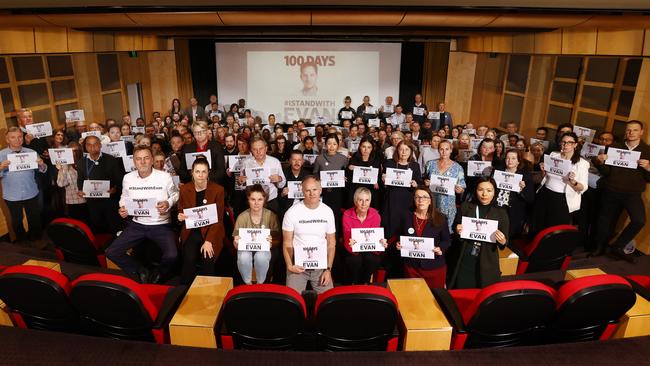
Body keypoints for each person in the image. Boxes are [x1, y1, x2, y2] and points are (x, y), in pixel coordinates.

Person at [106, 146, 180, 284]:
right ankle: (140, 270)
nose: (143, 162)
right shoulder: (128, 178)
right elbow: (124, 196)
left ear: (152, 160)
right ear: (134, 162)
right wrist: (122, 207)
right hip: (137, 224)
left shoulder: (164, 177)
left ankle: (160, 272)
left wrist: (168, 202)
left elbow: (176, 194)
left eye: (146, 158)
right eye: (138, 159)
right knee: (111, 252)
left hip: (160, 225)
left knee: (172, 255)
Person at [591, 120, 650, 259]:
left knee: (639, 220)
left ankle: (618, 246)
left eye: (635, 130)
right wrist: (599, 161)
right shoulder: (614, 147)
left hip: (632, 194)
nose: (631, 133)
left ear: (641, 132)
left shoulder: (648, 151)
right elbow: (606, 172)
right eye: (629, 130)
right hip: (611, 190)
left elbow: (648, 179)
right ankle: (600, 248)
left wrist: (648, 167)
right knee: (605, 221)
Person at [448, 178, 509, 289]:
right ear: (475, 191)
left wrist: (502, 240)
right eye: (481, 189)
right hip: (464, 257)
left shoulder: (501, 212)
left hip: (487, 260)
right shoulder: (466, 207)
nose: (484, 194)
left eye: (489, 190)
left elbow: (504, 243)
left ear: (495, 192)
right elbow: (455, 227)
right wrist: (457, 229)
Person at [282, 176, 336, 294]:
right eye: (307, 190)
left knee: (329, 301)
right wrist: (290, 266)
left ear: (320, 190)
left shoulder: (327, 211)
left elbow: (331, 243)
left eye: (315, 189)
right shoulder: (292, 213)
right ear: (302, 191)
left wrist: (328, 269)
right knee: (291, 300)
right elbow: (287, 242)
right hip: (297, 265)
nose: (312, 193)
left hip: (320, 267)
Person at [177, 158, 225, 285]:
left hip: (211, 229)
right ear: (192, 173)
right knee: (189, 258)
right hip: (192, 230)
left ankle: (209, 291)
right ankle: (184, 291)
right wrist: (180, 216)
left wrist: (209, 240)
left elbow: (219, 219)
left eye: (204, 172)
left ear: (208, 173)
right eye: (197, 171)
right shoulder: (184, 189)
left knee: (207, 257)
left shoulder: (218, 190)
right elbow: (180, 210)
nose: (200, 175)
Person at [530, 132, 588, 237]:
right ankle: (533, 249)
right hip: (545, 194)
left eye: (570, 143)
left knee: (553, 229)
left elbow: (583, 187)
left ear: (575, 145)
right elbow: (546, 177)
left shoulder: (582, 163)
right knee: (537, 224)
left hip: (562, 199)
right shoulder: (553, 155)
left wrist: (572, 181)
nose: (566, 145)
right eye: (564, 142)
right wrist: (543, 171)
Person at [0, 127, 48, 246]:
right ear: (7, 139)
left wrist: (42, 165)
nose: (17, 140)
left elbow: (43, 170)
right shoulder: (1, 155)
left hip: (30, 191)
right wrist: (1, 168)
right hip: (12, 194)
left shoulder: (31, 152)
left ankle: (37, 240)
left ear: (23, 138)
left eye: (19, 137)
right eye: (13, 137)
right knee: (16, 220)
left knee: (34, 217)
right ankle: (22, 243)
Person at [395, 187, 450, 288]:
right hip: (412, 267)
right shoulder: (405, 216)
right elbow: (399, 235)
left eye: (425, 197)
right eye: (418, 197)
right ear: (414, 200)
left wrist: (441, 249)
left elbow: (446, 240)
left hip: (434, 267)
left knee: (435, 299)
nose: (421, 200)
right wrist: (399, 243)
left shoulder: (441, 218)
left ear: (430, 201)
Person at [233, 185, 282, 284]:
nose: (256, 203)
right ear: (248, 200)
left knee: (260, 257)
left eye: (260, 199)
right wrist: (236, 243)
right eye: (253, 199)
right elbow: (236, 243)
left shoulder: (271, 216)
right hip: (246, 249)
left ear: (264, 200)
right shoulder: (242, 217)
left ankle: (260, 283)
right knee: (244, 257)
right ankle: (247, 283)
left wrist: (272, 242)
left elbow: (278, 238)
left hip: (264, 250)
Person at [76, 135, 123, 234]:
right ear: (86, 147)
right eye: (89, 145)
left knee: (113, 225)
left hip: (110, 199)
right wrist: (80, 190)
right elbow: (80, 179)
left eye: (95, 144)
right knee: (97, 224)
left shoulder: (111, 160)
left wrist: (115, 188)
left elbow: (118, 178)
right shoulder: (81, 162)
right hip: (92, 201)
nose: (92, 147)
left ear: (100, 145)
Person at [342, 187, 387, 285]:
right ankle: (353, 282)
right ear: (355, 201)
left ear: (370, 201)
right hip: (352, 247)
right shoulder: (347, 214)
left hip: (368, 249)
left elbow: (375, 243)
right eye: (360, 200)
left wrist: (380, 243)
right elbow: (346, 237)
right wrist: (352, 244)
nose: (364, 204)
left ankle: (364, 281)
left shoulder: (376, 216)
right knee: (355, 260)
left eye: (367, 200)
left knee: (373, 259)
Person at [382, 140, 422, 238]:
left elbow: (419, 184)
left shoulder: (415, 165)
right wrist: (383, 179)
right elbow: (382, 185)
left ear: (411, 151)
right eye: (401, 149)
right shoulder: (389, 163)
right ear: (397, 151)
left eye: (406, 150)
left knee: (405, 227)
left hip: (407, 201)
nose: (404, 152)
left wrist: (416, 184)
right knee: (390, 228)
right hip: (391, 200)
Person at [424, 140, 466, 231]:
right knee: (430, 229)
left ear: (451, 150)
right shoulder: (430, 164)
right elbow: (423, 180)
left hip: (448, 205)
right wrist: (426, 182)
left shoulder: (458, 167)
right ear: (438, 150)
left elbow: (462, 187)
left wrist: (460, 190)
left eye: (447, 149)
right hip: (431, 202)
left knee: (446, 231)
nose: (444, 152)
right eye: (441, 149)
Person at [313, 133, 348, 238]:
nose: (331, 146)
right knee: (323, 217)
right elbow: (315, 174)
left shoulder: (343, 158)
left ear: (338, 145)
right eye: (329, 144)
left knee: (336, 217)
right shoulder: (319, 159)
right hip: (324, 193)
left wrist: (345, 178)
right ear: (325, 145)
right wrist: (319, 181)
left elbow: (345, 173)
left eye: (334, 144)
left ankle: (335, 240)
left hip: (338, 193)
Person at [494, 149, 535, 240]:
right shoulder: (498, 171)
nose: (510, 161)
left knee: (508, 238)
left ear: (518, 161)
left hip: (513, 212)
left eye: (513, 158)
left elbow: (530, 198)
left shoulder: (525, 176)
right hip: (495, 208)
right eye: (507, 158)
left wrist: (521, 191)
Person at [238, 137, 286, 214]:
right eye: (255, 149)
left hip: (271, 202)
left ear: (266, 148)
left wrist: (279, 179)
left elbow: (282, 185)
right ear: (251, 150)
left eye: (261, 148)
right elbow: (241, 187)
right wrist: (240, 182)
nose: (258, 152)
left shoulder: (275, 162)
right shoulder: (246, 163)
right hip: (253, 203)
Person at [178, 121, 226, 186]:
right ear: (193, 134)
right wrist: (194, 180)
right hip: (193, 185)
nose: (199, 134)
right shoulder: (187, 148)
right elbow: (182, 171)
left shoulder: (217, 147)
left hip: (212, 184)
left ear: (206, 132)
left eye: (202, 131)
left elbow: (220, 171)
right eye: (196, 132)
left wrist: (204, 180)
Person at [346, 136, 383, 209]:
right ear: (360, 147)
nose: (366, 150)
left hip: (371, 190)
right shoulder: (354, 158)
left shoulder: (376, 160)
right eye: (364, 147)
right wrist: (349, 169)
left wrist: (377, 181)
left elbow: (379, 177)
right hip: (356, 189)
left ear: (372, 148)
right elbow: (349, 179)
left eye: (369, 147)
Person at [56, 141, 89, 222]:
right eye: (71, 151)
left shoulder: (86, 162)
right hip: (72, 201)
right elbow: (61, 184)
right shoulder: (65, 165)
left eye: (76, 151)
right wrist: (64, 167)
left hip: (88, 200)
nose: (74, 153)